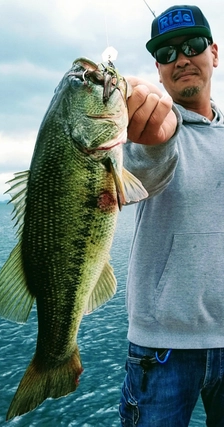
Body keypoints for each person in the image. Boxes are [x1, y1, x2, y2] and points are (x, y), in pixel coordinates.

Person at [119, 4, 224, 427]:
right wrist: (153, 143)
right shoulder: (147, 129)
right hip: (161, 349)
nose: (181, 58)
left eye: (192, 46)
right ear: (158, 70)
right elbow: (141, 169)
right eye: (166, 53)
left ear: (214, 53)